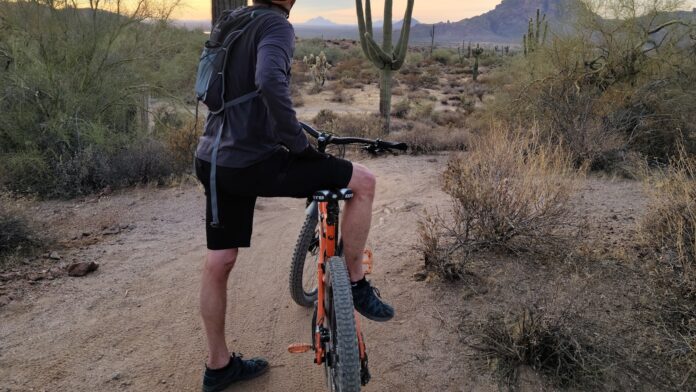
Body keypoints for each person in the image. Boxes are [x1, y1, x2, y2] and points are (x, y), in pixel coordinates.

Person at [194, 1, 394, 391]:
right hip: (254, 162)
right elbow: (269, 81)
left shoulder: (231, 21)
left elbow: (230, 89)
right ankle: (354, 280)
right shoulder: (276, 25)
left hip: (214, 158)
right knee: (363, 181)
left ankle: (218, 367)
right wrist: (296, 143)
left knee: (219, 260)